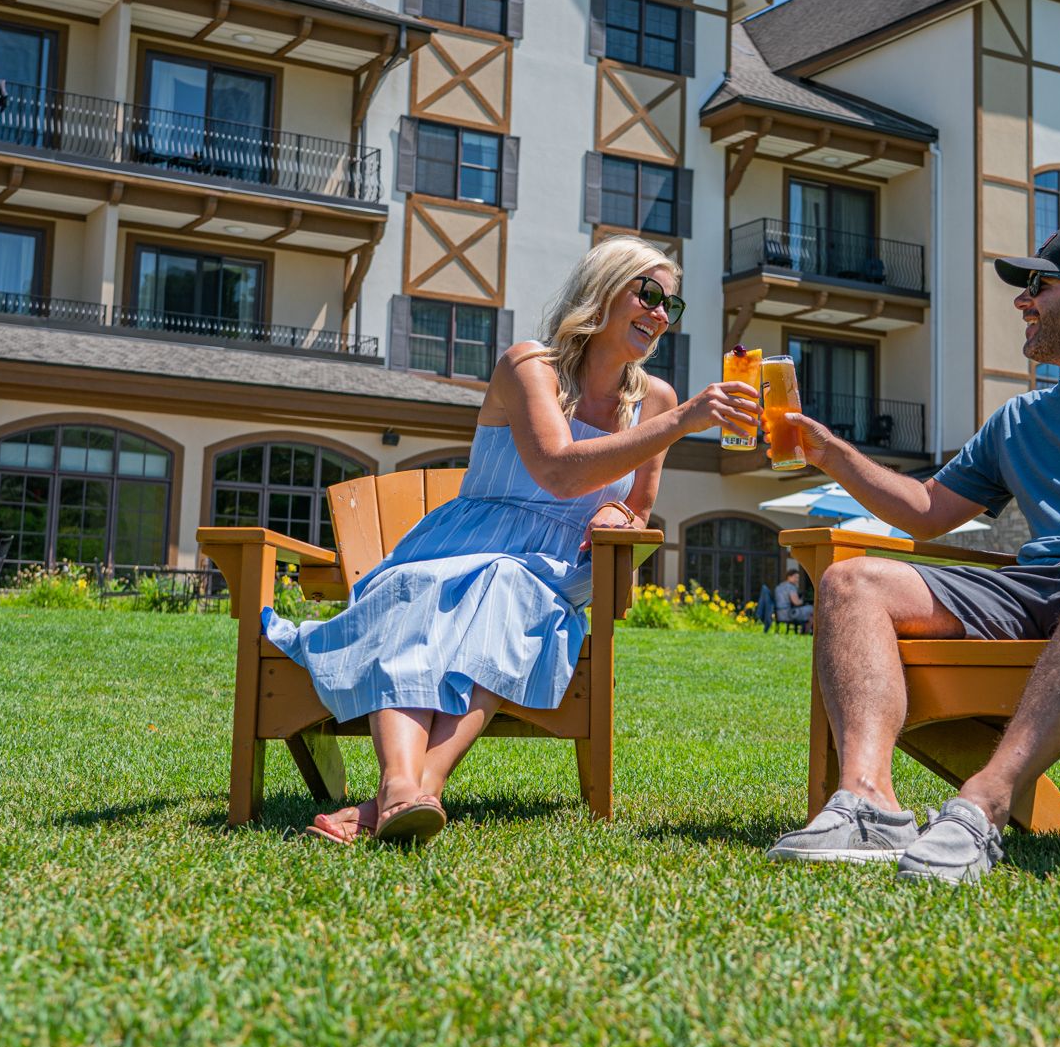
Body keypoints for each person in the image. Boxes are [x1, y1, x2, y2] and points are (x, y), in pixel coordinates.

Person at [764, 226, 1060, 883]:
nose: (1023, 303)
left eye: (1038, 287)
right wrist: (828, 452)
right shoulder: (1020, 418)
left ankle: (984, 804)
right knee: (852, 581)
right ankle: (868, 803)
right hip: (1041, 590)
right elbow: (926, 512)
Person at [261, 237, 760, 845]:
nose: (660, 314)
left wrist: (617, 518)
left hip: (553, 565)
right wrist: (682, 424)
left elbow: (638, 508)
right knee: (423, 591)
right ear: (603, 291)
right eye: (648, 294)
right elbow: (556, 469)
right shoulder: (531, 367)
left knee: (510, 590)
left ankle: (402, 796)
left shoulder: (653, 399)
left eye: (671, 307)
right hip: (464, 543)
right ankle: (405, 792)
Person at [773, 565, 810, 634]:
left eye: (798, 578)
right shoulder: (791, 587)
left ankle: (804, 631)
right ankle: (805, 632)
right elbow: (796, 602)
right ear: (789, 577)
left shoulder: (779, 586)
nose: (797, 580)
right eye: (795, 577)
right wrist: (804, 601)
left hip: (779, 614)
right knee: (811, 609)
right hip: (788, 614)